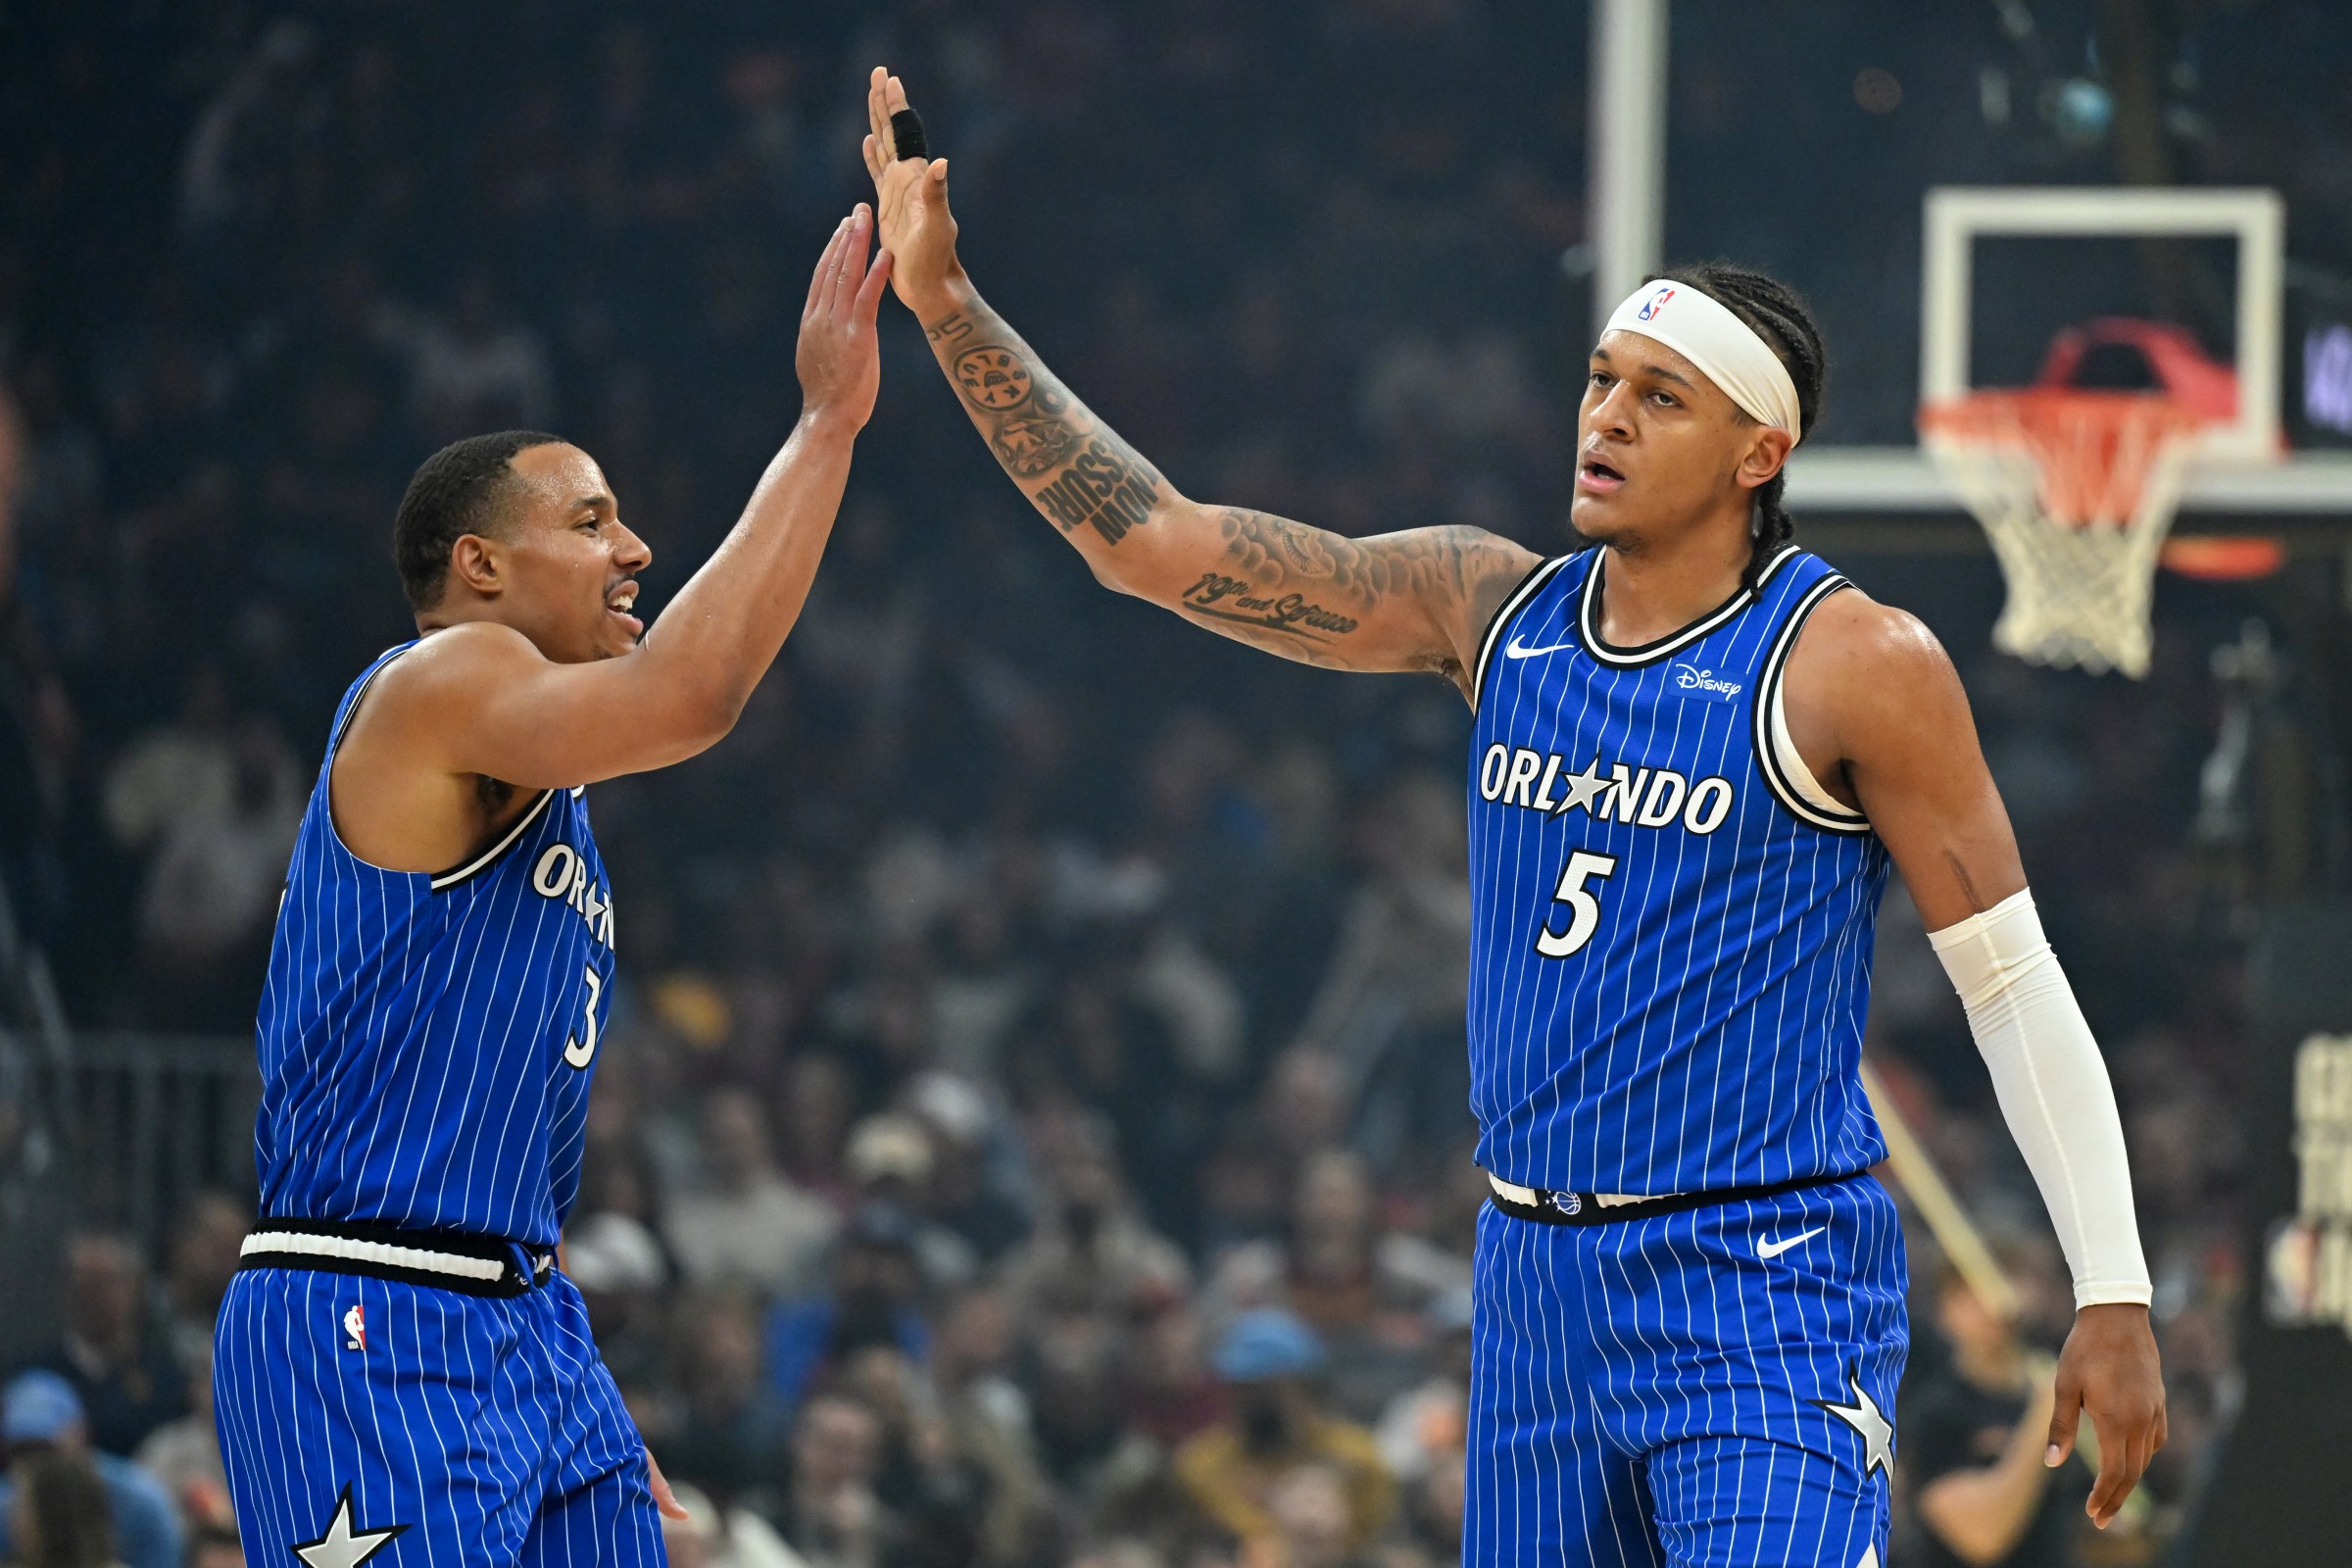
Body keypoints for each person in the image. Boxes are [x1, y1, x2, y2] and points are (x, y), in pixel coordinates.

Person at [857, 69, 2166, 1565]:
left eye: (1658, 398)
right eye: (1603, 379)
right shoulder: (1488, 607)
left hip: (1760, 1274)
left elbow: (2008, 981)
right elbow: (1153, 542)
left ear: (1760, 455)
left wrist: (2110, 1288)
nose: (1605, 417)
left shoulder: (1853, 664)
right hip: (1532, 1271)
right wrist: (948, 303)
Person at [210, 210, 894, 1568]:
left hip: (519, 1314)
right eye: (592, 521)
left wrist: (555, 1355)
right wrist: (826, 426)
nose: (635, 548)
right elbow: (696, 693)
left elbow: (491, 1115)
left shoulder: (545, 774)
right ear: (482, 568)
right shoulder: (438, 682)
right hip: (367, 1313)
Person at [1905, 1262, 2087, 1567]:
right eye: (1971, 1290)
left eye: (2009, 1278)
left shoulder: (2058, 1395)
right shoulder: (1934, 1414)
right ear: (1946, 1310)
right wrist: (2045, 1414)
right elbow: (1982, 1538)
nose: (1994, 1300)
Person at [0, 1374, 178, 1568]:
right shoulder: (8, 1506)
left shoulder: (140, 1503)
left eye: (45, 1450)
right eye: (23, 1453)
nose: (36, 1466)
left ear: (80, 1435)